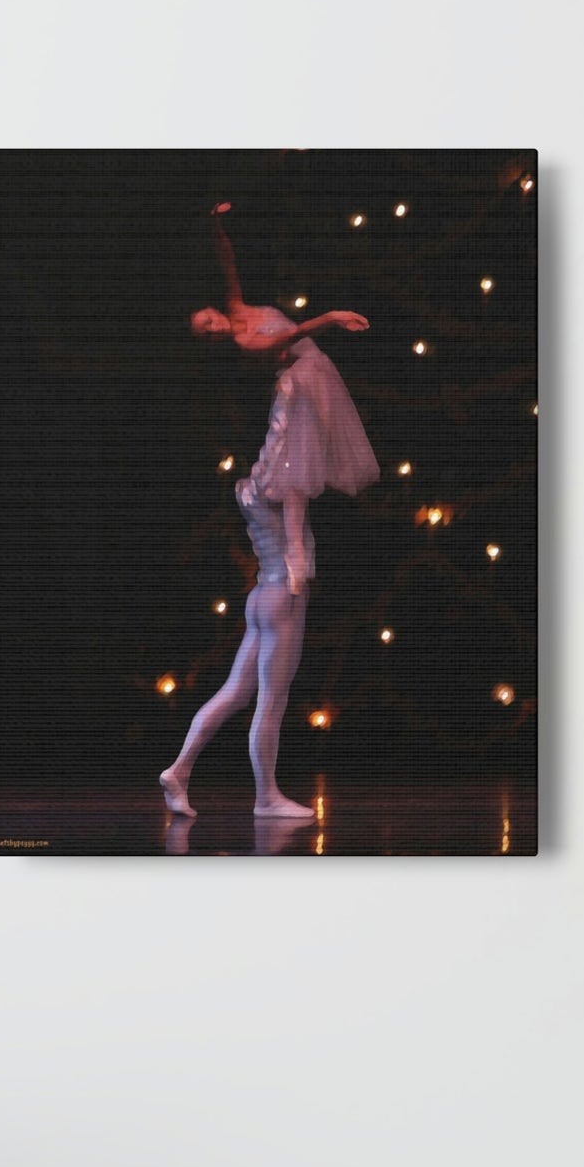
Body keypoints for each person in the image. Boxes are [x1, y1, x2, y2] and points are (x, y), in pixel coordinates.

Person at [161, 204, 379, 821]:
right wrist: (301, 563)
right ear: (214, 337)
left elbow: (227, 266)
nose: (212, 320)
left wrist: (215, 226)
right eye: (208, 328)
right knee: (270, 702)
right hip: (282, 595)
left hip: (263, 595)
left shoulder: (251, 485)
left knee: (235, 690)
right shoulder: (253, 341)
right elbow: (291, 508)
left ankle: (177, 771)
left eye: (205, 317)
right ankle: (265, 799)